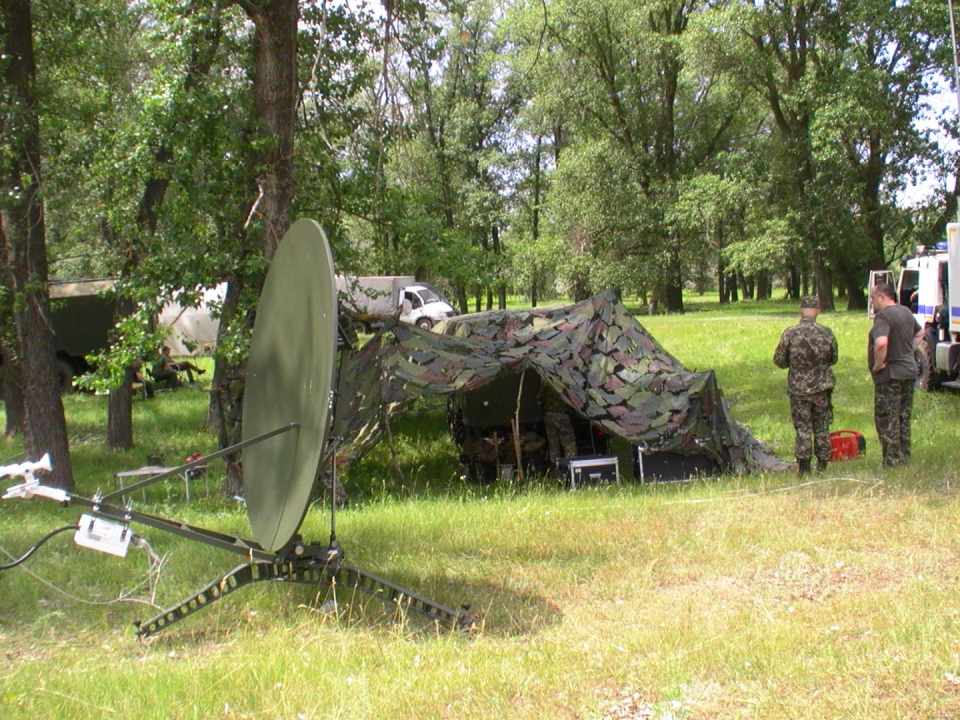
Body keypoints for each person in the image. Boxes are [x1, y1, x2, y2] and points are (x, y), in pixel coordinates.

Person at [773, 295, 838, 475]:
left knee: (803, 428)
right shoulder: (826, 333)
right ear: (818, 310)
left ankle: (804, 467)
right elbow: (834, 359)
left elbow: (779, 361)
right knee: (822, 427)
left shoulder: (790, 333)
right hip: (822, 388)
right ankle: (823, 465)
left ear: (801, 310)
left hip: (799, 389)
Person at [868, 283, 923, 468]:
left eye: (873, 298)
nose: (872, 302)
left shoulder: (883, 316)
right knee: (903, 416)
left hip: (891, 374)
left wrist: (878, 364)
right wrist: (908, 352)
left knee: (887, 417)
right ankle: (904, 456)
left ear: (882, 297)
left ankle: (892, 461)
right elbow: (920, 332)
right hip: (909, 371)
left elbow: (881, 343)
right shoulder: (906, 312)